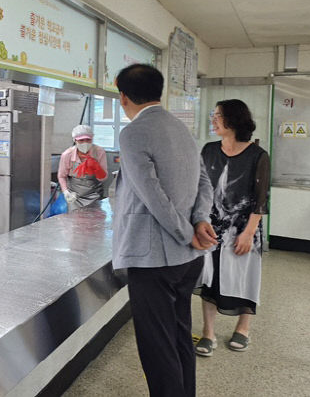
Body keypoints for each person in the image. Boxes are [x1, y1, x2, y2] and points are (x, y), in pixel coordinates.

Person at [113, 64, 216, 397]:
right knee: (179, 337)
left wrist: (185, 231)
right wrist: (199, 221)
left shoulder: (133, 133)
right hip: (188, 259)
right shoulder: (181, 128)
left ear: (122, 96)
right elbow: (203, 181)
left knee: (158, 350)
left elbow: (151, 194)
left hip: (153, 260)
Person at [195, 100, 269, 356]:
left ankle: (243, 328)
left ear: (234, 120)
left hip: (243, 228)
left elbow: (261, 200)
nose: (213, 120)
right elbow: (200, 188)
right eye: (213, 115)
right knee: (209, 278)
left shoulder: (257, 156)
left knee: (244, 276)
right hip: (211, 227)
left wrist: (249, 233)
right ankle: (208, 333)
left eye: (218, 116)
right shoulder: (209, 150)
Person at [58, 124, 108, 210]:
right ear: (75, 140)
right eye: (81, 140)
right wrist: (66, 192)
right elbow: (62, 176)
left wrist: (96, 168)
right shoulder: (67, 155)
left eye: (88, 140)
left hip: (95, 195)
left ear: (92, 138)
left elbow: (103, 178)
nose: (85, 143)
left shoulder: (99, 152)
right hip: (75, 197)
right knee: (75, 220)